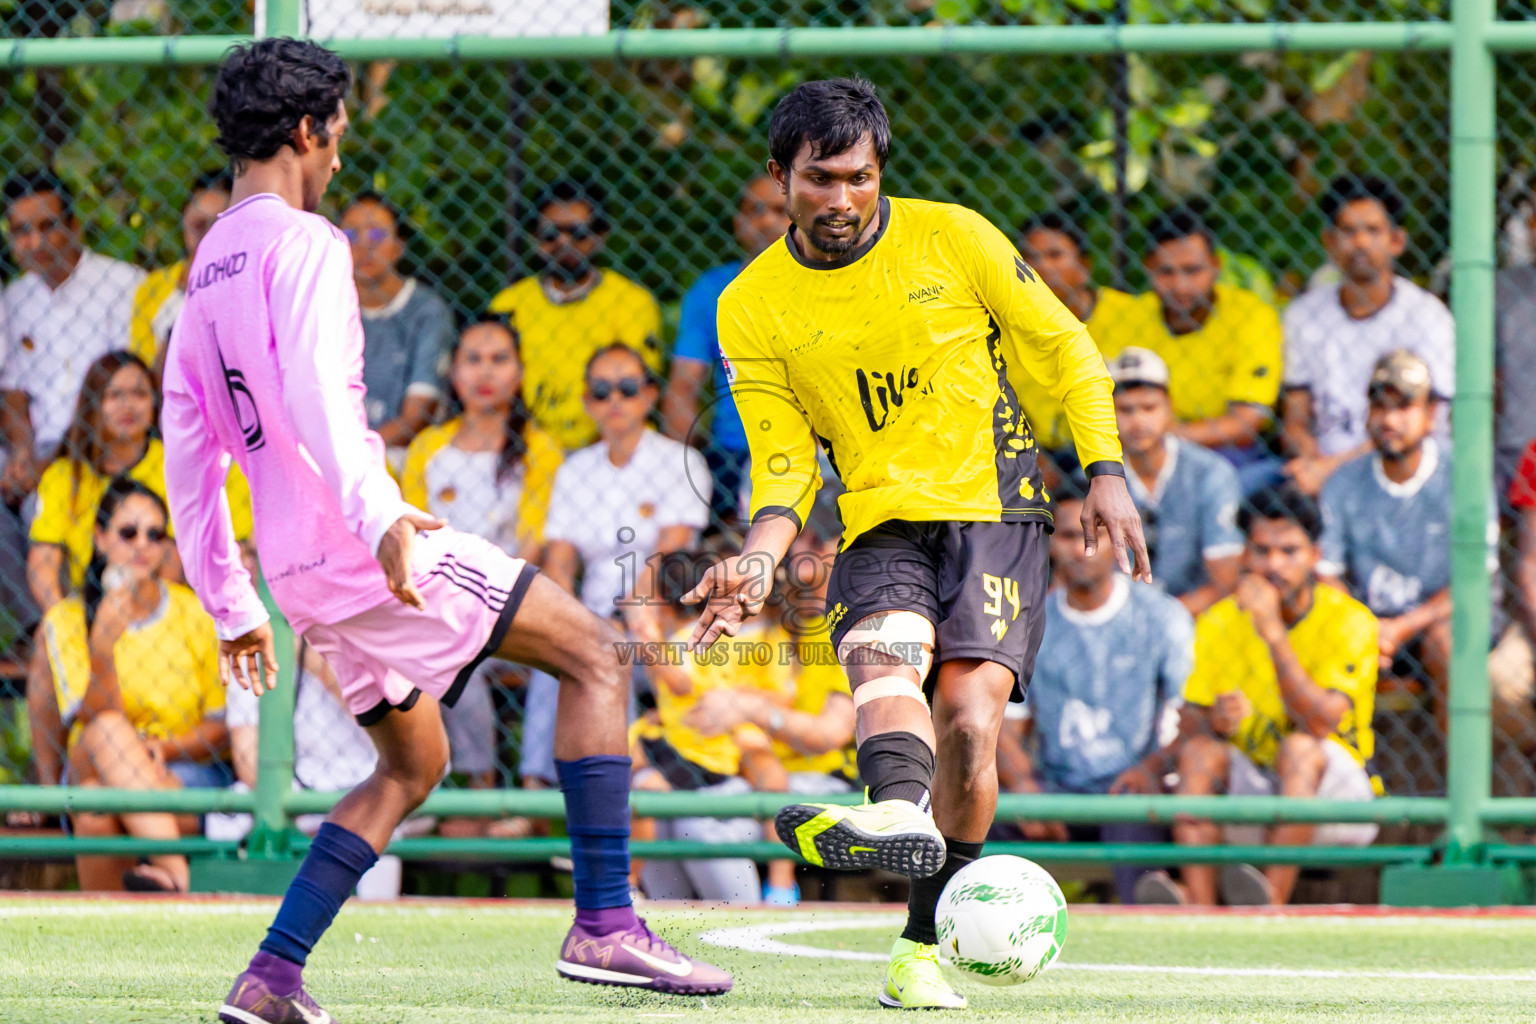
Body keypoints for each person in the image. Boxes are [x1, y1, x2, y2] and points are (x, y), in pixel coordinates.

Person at [159, 40, 729, 1024]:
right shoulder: (309, 243)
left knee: (411, 766)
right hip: (363, 547)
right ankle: (605, 923)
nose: (340, 155)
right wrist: (383, 517)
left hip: (295, 572)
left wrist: (231, 599)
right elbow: (320, 398)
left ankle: (271, 977)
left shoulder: (206, 265)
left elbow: (187, 447)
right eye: (338, 135)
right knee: (599, 656)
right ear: (307, 129)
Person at [684, 77, 1147, 1010]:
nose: (842, 197)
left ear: (880, 171)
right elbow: (784, 464)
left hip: (998, 509)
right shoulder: (749, 305)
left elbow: (1067, 347)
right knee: (886, 657)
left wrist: (1104, 467)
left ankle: (919, 943)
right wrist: (761, 556)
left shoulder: (954, 237)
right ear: (779, 176)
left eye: (858, 177)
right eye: (820, 179)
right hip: (878, 521)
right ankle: (895, 808)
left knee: (970, 724)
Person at [1137, 485, 1380, 907]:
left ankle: (1269, 907)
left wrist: (1271, 631)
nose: (1274, 565)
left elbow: (1319, 722)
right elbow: (1188, 725)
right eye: (1262, 551)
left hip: (1335, 802)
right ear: (1245, 556)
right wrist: (1213, 720)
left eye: (1289, 551)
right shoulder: (1219, 621)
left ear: (1315, 555)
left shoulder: (1350, 620)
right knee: (1200, 753)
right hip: (1255, 796)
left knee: (1300, 749)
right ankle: (1198, 910)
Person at [994, 479, 1192, 904]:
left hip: (1130, 790)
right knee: (988, 817)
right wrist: (1024, 784)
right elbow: (1007, 726)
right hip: (1055, 791)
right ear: (1051, 544)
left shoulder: (1161, 617)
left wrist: (1150, 769)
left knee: (1133, 822)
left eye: (1096, 535)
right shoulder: (1029, 621)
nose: (1083, 548)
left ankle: (1158, 920)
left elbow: (1188, 717)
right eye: (1069, 535)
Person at [401, 317, 562, 821]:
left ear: (519, 373)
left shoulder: (541, 449)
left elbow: (534, 543)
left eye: (499, 360)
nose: (485, 372)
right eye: (473, 359)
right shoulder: (428, 448)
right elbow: (413, 537)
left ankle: (533, 800)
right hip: (440, 602)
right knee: (456, 656)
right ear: (453, 374)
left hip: (517, 600)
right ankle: (481, 792)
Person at [530, 344, 711, 784]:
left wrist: (620, 619)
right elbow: (559, 561)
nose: (614, 399)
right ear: (586, 402)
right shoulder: (575, 470)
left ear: (650, 395)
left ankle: (617, 786)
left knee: (613, 652)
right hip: (590, 611)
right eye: (601, 390)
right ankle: (537, 789)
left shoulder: (680, 461)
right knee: (558, 652)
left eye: (627, 388)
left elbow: (669, 551)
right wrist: (570, 619)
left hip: (662, 613)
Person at [39, 479, 228, 894]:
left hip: (180, 768)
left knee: (96, 810)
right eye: (128, 532)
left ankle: (109, 928)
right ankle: (180, 880)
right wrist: (103, 648)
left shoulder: (194, 613)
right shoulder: (67, 619)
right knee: (107, 729)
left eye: (154, 534)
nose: (142, 544)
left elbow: (220, 727)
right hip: (95, 758)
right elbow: (91, 717)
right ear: (100, 538)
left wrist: (164, 748)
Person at [1318, 351, 1498, 742]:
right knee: (1318, 629)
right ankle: (1343, 769)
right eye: (1379, 407)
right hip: (1365, 622)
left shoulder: (1463, 477)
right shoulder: (1342, 482)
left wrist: (1401, 628)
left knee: (1447, 643)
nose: (1389, 420)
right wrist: (1365, 628)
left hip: (1440, 619)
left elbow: (1473, 579)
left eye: (1403, 407)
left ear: (1431, 414)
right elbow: (1326, 573)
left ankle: (1455, 773)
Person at [27, 351, 253, 612]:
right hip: (89, 606)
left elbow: (174, 560)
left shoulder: (175, 466)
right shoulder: (64, 475)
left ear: (155, 403)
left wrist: (154, 619)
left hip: (165, 606)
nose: (128, 405)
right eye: (114, 395)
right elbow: (42, 562)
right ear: (93, 405)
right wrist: (61, 620)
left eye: (140, 394)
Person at [1281, 176, 1456, 496]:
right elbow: (1295, 418)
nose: (1360, 242)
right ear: (1329, 241)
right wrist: (1311, 462)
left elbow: (1426, 424)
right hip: (1318, 465)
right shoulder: (1303, 315)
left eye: (1373, 231)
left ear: (1396, 241)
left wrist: (1331, 471)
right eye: (1348, 231)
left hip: (1404, 464)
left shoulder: (1428, 317)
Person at [1092, 206, 1283, 493]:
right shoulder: (1128, 317)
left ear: (1216, 266)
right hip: (1139, 452)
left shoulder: (1252, 315)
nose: (1180, 285)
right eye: (1166, 272)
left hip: (1226, 453)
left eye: (1193, 270)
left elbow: (1245, 424)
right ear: (1148, 267)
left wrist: (1161, 436)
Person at [488, 179, 664, 451]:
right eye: (550, 233)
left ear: (601, 236)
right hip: (526, 448)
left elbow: (634, 390)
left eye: (578, 232)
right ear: (534, 239)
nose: (563, 242)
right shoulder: (509, 304)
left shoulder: (631, 302)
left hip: (612, 445)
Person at [1, 170, 145, 498]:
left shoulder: (124, 285)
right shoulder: (14, 299)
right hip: (38, 445)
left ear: (73, 226)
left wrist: (48, 466)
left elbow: (128, 387)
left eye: (47, 226)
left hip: (105, 442)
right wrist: (23, 453)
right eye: (22, 231)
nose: (35, 242)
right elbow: (14, 391)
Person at [661, 175, 790, 527]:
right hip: (732, 450)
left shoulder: (829, 282)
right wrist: (687, 463)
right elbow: (683, 385)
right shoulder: (711, 290)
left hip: (815, 445)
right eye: (755, 210)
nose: (766, 220)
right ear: (738, 222)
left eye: (779, 210)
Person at [1109, 347, 1243, 617]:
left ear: (1169, 408)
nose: (1138, 421)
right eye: (1125, 409)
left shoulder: (1211, 473)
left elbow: (1224, 581)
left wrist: (1163, 623)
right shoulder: (1093, 477)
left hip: (1196, 616)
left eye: (1149, 407)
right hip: (1115, 616)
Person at [1014, 209, 1137, 474]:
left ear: (1083, 266)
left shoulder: (1130, 314)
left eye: (1055, 255)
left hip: (1118, 445)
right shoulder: (1008, 327)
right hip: (1038, 452)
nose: (1042, 267)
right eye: (1031, 258)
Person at [341, 191, 455, 452]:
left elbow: (416, 417)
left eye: (376, 234)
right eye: (351, 235)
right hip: (335, 451)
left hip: (401, 455)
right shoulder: (327, 306)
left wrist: (354, 456)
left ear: (398, 246)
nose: (364, 246)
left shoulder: (426, 311)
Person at [129, 170, 233, 373]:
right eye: (199, 223)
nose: (206, 233)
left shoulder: (241, 280)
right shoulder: (153, 286)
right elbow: (143, 366)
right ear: (185, 217)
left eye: (216, 223)